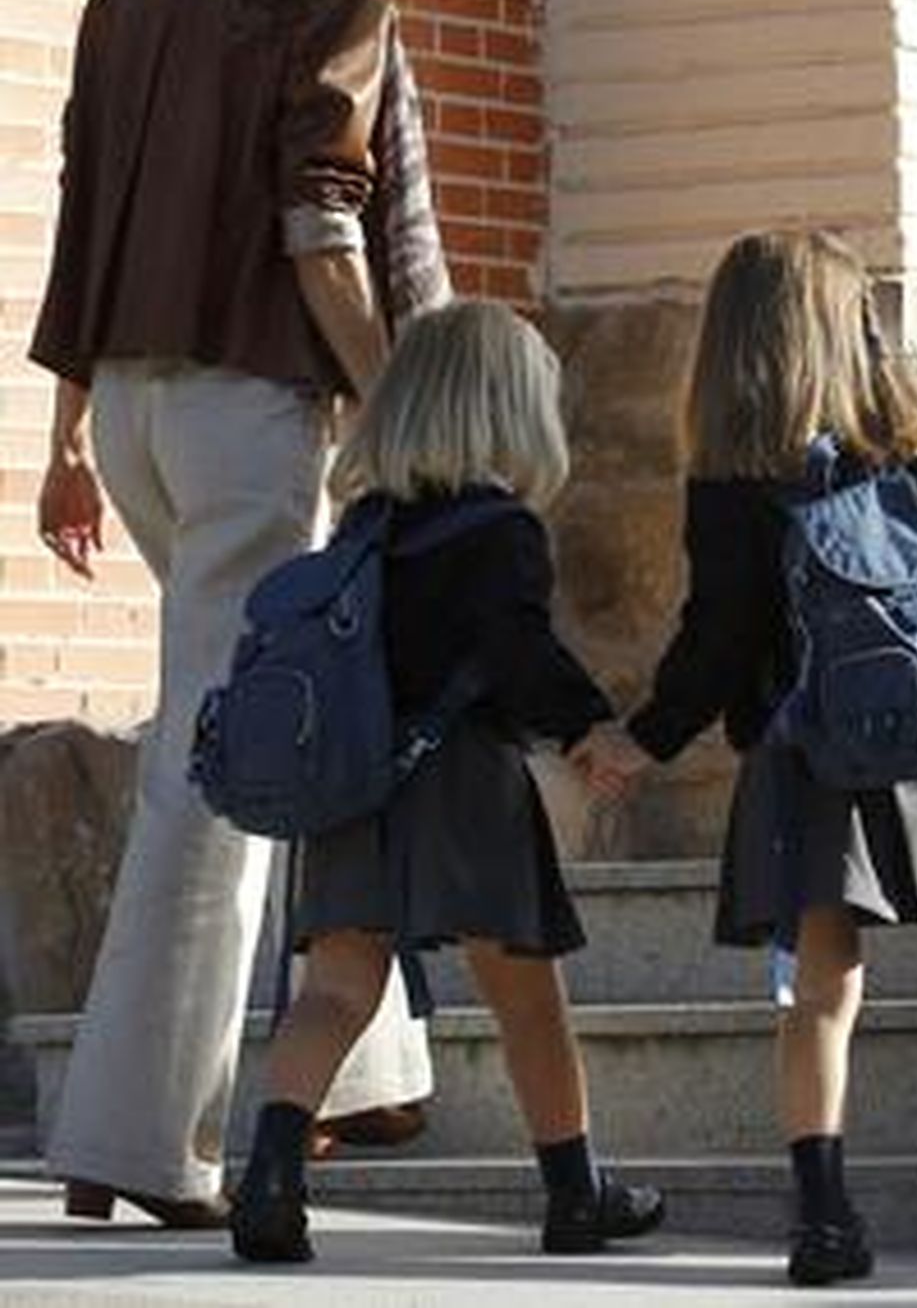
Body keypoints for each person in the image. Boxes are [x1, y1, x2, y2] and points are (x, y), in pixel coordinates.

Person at [30, 0, 447, 1223]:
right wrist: (402, 401)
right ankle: (136, 1142)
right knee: (217, 768)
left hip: (136, 411)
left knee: (269, 711)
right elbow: (323, 224)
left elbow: (83, 228)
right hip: (250, 406)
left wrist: (67, 440)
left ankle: (359, 1069)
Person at [576, 226, 917, 1286]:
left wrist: (640, 740)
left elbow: (713, 641)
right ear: (850, 338)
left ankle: (822, 1215)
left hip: (810, 756)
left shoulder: (731, 490)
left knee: (824, 995)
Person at [228, 299, 665, 1265]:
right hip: (465, 782)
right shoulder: (501, 529)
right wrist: (588, 726)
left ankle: (268, 1181)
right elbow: (516, 649)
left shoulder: (365, 525)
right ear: (508, 411)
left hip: (355, 783)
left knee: (336, 989)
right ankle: (573, 1190)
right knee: (527, 997)